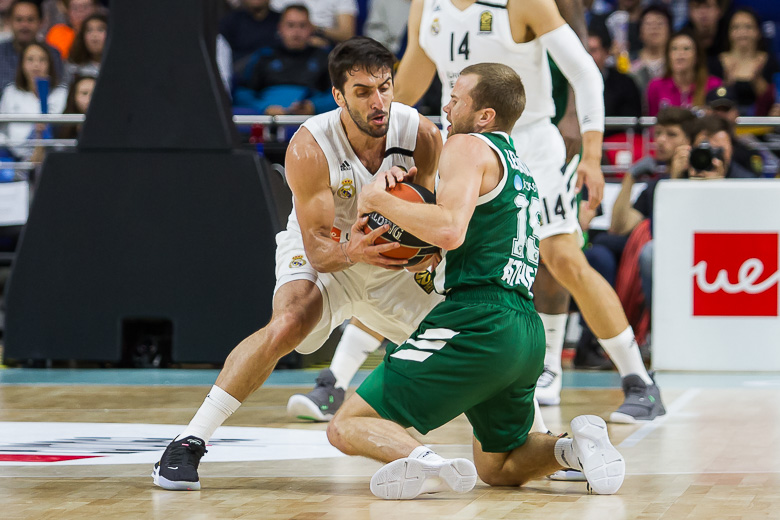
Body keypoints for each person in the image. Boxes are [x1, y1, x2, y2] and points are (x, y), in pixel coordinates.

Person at [151, 36, 445, 491]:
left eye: (385, 87)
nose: (379, 101)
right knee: (289, 324)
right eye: (364, 92)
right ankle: (190, 439)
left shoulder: (422, 136)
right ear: (338, 96)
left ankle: (537, 441)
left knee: (464, 338)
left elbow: (427, 226)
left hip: (382, 258)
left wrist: (417, 258)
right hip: (329, 249)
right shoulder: (310, 147)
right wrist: (355, 251)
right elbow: (320, 253)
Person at [327, 64, 625, 499]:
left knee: (346, 424)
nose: (446, 105)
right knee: (499, 466)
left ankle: (431, 463)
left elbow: (449, 229)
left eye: (457, 98)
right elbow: (464, 239)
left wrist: (376, 199)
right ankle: (573, 449)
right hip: (524, 328)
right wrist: (425, 254)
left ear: (484, 115)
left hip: (477, 320)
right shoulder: (517, 165)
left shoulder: (466, 146)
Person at [393, 0, 664, 423]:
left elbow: (584, 71)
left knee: (563, 259)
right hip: (465, 147)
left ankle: (639, 382)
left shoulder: (521, 2)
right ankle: (530, 368)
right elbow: (409, 82)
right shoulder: (424, 6)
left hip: (531, 145)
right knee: (444, 255)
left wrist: (592, 154)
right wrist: (360, 127)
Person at [233, 5, 335, 116]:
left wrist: (314, 106)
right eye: (290, 25)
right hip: (268, 122)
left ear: (311, 29)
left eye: (302, 26)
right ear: (280, 28)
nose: (296, 32)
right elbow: (241, 94)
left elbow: (339, 96)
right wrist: (264, 107)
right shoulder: (263, 56)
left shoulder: (325, 58)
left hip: (312, 123)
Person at [0, 41, 66, 161]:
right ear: (22, 65)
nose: (36, 65)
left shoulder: (61, 94)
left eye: (42, 60)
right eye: (30, 59)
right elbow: (2, 130)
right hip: (17, 159)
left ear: (50, 64)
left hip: (55, 158)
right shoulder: (11, 92)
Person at [710, 8, 780, 116]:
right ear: (728, 32)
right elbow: (710, 101)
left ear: (758, 32)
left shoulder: (771, 62)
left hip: (762, 126)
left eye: (748, 27)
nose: (742, 32)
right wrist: (726, 86)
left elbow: (774, 102)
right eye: (736, 27)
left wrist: (757, 81)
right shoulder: (716, 62)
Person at [646, 29, 722, 116]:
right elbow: (653, 124)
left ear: (697, 56)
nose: (680, 54)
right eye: (674, 49)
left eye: (686, 49)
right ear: (668, 55)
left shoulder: (713, 85)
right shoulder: (656, 86)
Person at [0, 1, 63, 90]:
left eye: (30, 19)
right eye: (19, 19)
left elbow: (60, 88)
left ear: (41, 22)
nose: (24, 25)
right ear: (9, 21)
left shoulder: (53, 54)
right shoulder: (1, 52)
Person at [588, 24, 642, 123]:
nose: (588, 56)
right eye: (584, 50)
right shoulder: (568, 82)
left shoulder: (625, 84)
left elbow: (631, 125)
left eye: (593, 50)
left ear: (606, 52)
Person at [630, 4, 672, 105]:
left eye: (660, 23)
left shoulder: (675, 61)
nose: (654, 28)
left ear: (670, 30)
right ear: (640, 31)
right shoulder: (629, 61)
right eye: (648, 24)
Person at [270, 0, 356, 46]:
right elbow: (270, 26)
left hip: (325, 44)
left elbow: (347, 34)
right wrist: (304, 40)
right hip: (284, 43)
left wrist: (315, 29)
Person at [54, 73, 94, 139]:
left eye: (93, 93)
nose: (89, 98)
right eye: (84, 93)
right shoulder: (59, 126)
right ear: (74, 96)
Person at [65, 12, 105, 78]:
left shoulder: (121, 65)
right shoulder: (73, 67)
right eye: (89, 30)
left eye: (100, 30)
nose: (94, 35)